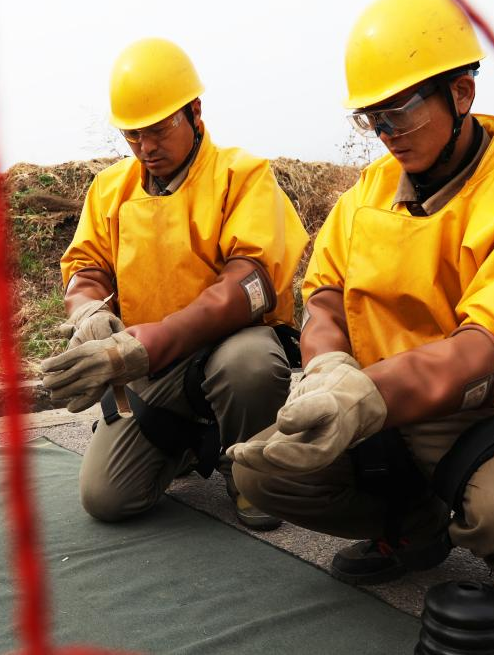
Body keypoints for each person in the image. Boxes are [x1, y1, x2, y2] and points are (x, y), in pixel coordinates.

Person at [229, 0, 494, 636]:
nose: (385, 133)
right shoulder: (364, 197)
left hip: (491, 419)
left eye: (398, 110)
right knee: (263, 470)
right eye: (372, 117)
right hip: (387, 412)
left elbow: (483, 348)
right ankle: (413, 526)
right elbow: (324, 296)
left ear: (462, 93)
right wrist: (329, 368)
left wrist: (361, 395)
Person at [40, 37, 308, 530]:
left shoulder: (243, 176)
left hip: (224, 347)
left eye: (159, 129)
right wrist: (88, 310)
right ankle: (186, 443)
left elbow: (250, 281)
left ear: (195, 112)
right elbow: (86, 267)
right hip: (153, 364)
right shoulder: (109, 189)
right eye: (132, 134)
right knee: (106, 499)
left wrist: (146, 344)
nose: (146, 147)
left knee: (252, 364)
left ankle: (250, 474)